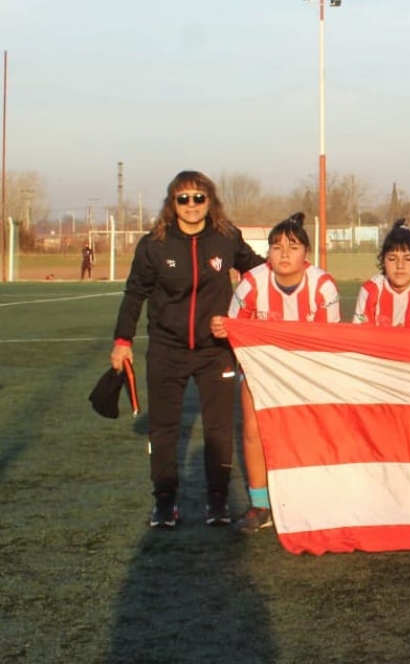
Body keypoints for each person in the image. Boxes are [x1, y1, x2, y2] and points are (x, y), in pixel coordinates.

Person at [110, 170, 265, 529]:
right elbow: (135, 293)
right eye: (184, 198)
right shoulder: (154, 244)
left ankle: (217, 503)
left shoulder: (227, 238)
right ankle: (164, 502)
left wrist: (291, 274)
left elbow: (257, 273)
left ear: (210, 202)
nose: (191, 205)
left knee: (219, 429)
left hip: (216, 351)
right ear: (172, 203)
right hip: (168, 348)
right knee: (163, 429)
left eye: (199, 198)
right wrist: (122, 341)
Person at [210, 212, 340, 534]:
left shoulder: (323, 285)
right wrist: (221, 328)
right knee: (253, 430)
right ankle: (260, 504)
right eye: (276, 246)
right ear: (267, 252)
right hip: (260, 369)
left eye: (292, 247)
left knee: (309, 432)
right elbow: (234, 328)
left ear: (305, 255)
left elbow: (329, 340)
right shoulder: (252, 282)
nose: (284, 253)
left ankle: (309, 498)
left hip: (308, 370)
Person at [354, 219, 410, 330]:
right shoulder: (370, 290)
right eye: (392, 259)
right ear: (383, 261)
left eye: (408, 259)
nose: (400, 265)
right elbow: (360, 338)